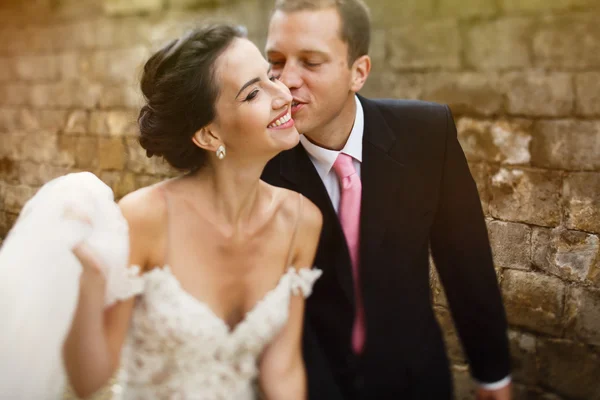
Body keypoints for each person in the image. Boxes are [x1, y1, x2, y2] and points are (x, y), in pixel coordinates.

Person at [261, 1, 512, 399]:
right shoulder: (259, 162)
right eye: (275, 60)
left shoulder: (427, 134)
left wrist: (492, 376)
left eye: (310, 62)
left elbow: (466, 264)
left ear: (358, 72)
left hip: (416, 380)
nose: (286, 79)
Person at [56, 24, 322, 399]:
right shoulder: (143, 219)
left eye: (270, 76)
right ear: (209, 135)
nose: (282, 94)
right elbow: (89, 380)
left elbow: (282, 370)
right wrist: (91, 285)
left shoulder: (301, 221)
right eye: (252, 93)